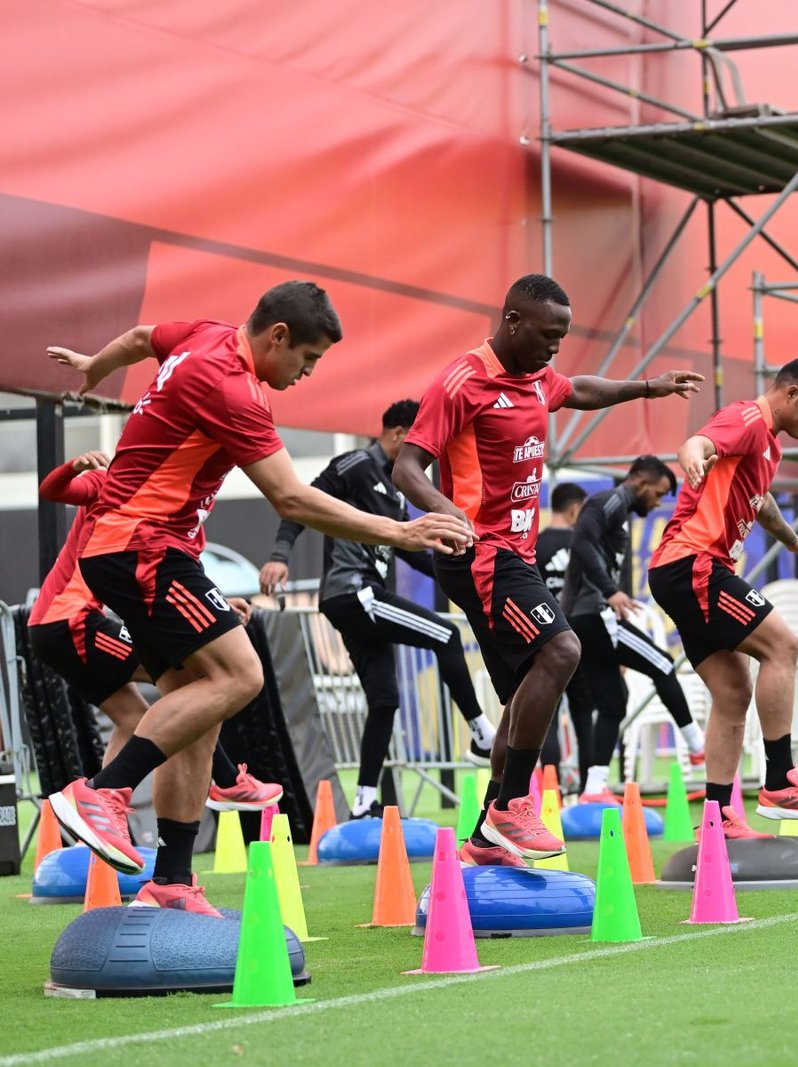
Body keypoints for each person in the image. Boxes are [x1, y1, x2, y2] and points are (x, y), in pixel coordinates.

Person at [44, 281, 472, 916]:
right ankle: (103, 792)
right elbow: (292, 498)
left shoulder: (203, 334)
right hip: (144, 548)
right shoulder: (232, 386)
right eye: (307, 360)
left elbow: (139, 340)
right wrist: (400, 530)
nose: (306, 374)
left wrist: (94, 366)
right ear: (277, 337)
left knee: (201, 704)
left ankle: (173, 879)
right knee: (241, 674)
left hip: (136, 549)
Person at [394, 273, 702, 868]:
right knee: (562, 652)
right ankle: (513, 807)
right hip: (482, 554)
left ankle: (486, 836)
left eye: (562, 336)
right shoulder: (463, 381)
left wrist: (647, 387)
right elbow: (408, 468)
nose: (555, 347)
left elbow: (577, 389)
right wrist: (451, 516)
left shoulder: (538, 376)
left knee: (522, 698)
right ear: (512, 321)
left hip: (515, 553)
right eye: (547, 334)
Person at [259, 399, 497, 818]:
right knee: (446, 634)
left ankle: (364, 802)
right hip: (354, 593)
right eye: (419, 438)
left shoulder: (394, 491)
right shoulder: (355, 463)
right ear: (398, 434)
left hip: (359, 602)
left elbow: (410, 551)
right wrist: (280, 554)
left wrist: (463, 573)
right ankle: (481, 734)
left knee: (384, 700)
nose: (426, 449)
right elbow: (299, 503)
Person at [647, 356, 798, 839]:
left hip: (681, 571)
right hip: (693, 564)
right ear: (791, 393)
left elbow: (762, 500)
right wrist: (691, 454)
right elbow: (700, 440)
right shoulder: (750, 419)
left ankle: (718, 818)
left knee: (733, 693)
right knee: (784, 646)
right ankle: (779, 779)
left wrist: (793, 541)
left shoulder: (768, 446)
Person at [30, 451, 282, 827]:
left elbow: (179, 577)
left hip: (62, 623)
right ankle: (225, 780)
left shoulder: (172, 508)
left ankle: (103, 827)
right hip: (70, 620)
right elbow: (52, 490)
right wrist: (73, 465)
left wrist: (219, 607)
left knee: (135, 720)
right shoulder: (116, 485)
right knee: (195, 680)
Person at [563, 456, 706, 805]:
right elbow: (580, 544)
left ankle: (594, 786)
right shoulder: (610, 501)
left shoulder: (618, 512)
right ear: (640, 480)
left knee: (613, 701)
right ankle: (699, 747)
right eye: (657, 494)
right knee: (662, 665)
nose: (658, 503)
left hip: (588, 619)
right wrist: (610, 593)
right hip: (593, 616)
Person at [534, 481, 589, 774]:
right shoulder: (584, 546)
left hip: (547, 641)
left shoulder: (536, 545)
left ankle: (550, 790)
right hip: (582, 640)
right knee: (584, 716)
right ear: (574, 509)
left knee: (548, 718)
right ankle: (589, 791)